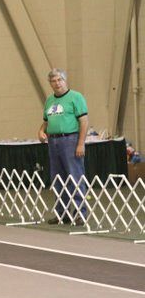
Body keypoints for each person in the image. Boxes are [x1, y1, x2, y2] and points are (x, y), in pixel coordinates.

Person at [38, 68, 88, 226]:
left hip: (70, 140)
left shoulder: (76, 97)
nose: (57, 83)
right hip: (53, 142)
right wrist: (40, 131)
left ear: (65, 81)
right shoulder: (49, 100)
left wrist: (80, 144)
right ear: (50, 84)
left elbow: (84, 121)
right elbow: (46, 121)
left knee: (75, 177)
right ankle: (62, 213)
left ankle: (80, 213)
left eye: (59, 79)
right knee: (58, 179)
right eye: (53, 81)